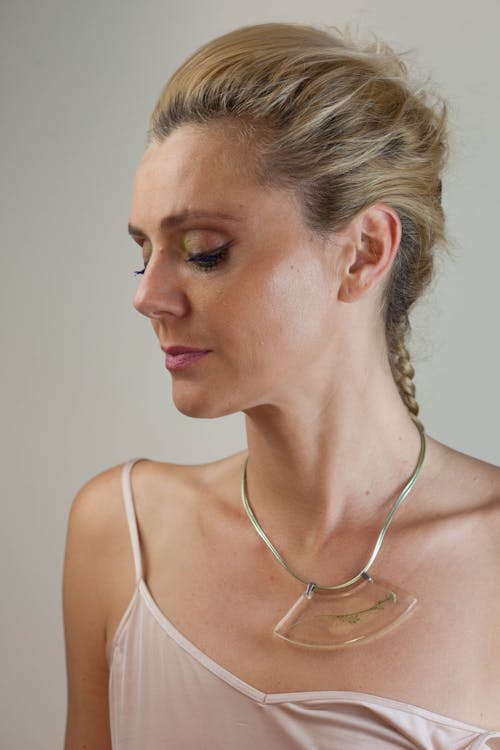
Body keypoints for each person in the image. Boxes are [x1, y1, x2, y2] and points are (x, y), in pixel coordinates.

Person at [62, 21, 500, 749]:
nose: (148, 295)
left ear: (363, 253)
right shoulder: (120, 532)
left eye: (204, 251)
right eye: (145, 250)